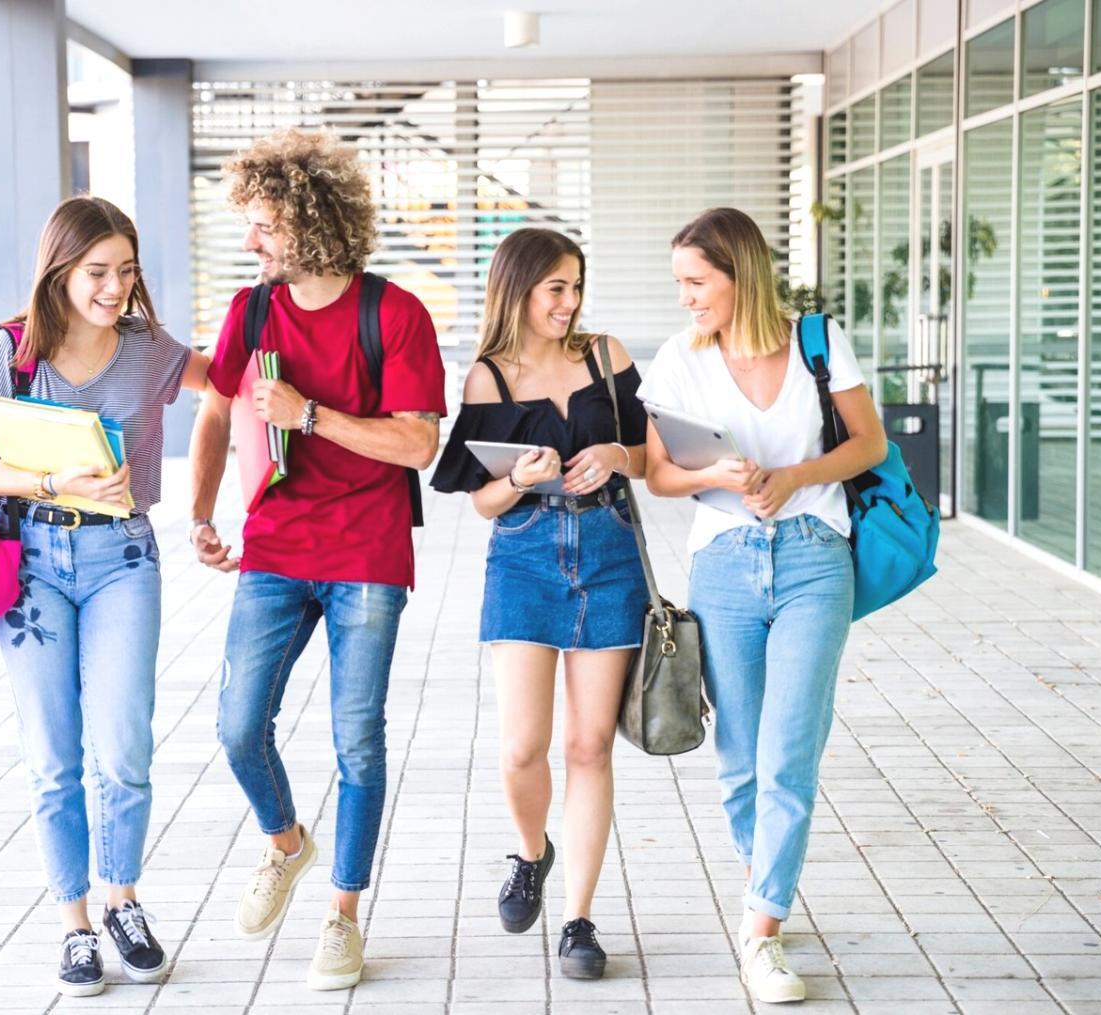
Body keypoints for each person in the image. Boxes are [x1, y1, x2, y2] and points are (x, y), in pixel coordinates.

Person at [186, 128, 446, 990]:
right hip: (274, 546)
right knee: (235, 724)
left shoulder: (394, 313)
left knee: (356, 742)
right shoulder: (250, 311)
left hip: (367, 552)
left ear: (310, 221)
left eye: (263, 224)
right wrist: (199, 513)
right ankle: (286, 845)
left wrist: (311, 415)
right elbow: (218, 413)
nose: (251, 241)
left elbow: (417, 446)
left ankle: (342, 914)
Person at [0, 195, 211, 997]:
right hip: (31, 563)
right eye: (98, 271)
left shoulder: (148, 347)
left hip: (122, 557)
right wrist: (48, 480)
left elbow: (234, 380)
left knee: (124, 744)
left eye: (126, 271)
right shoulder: (15, 351)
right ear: (60, 270)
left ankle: (121, 900)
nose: (113, 287)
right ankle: (73, 925)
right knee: (54, 755)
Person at [638, 207, 886, 1004]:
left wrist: (795, 475)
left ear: (738, 274)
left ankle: (761, 930)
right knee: (740, 756)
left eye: (695, 282)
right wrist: (716, 476)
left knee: (787, 750)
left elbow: (870, 445)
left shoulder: (816, 338)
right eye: (679, 282)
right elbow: (659, 473)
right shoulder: (680, 357)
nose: (684, 298)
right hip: (723, 566)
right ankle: (764, 886)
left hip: (816, 557)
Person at [430, 227, 648, 979]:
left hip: (610, 552)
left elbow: (652, 454)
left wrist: (619, 456)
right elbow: (482, 501)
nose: (569, 301)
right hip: (523, 558)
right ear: (518, 289)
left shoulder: (605, 355)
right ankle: (532, 851)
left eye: (576, 286)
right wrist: (521, 477)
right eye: (555, 287)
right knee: (521, 747)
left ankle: (579, 919)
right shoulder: (487, 377)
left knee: (589, 746)